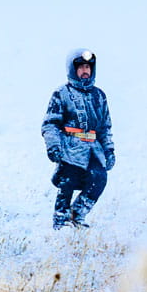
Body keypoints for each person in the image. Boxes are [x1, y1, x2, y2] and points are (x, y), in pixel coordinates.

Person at [40, 49, 114, 229]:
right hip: (70, 148)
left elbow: (105, 127)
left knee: (99, 179)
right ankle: (61, 219)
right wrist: (53, 146)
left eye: (88, 66)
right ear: (73, 70)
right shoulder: (62, 94)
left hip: (94, 150)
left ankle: (77, 214)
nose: (84, 71)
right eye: (80, 67)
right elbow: (50, 124)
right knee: (67, 182)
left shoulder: (99, 96)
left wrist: (109, 150)